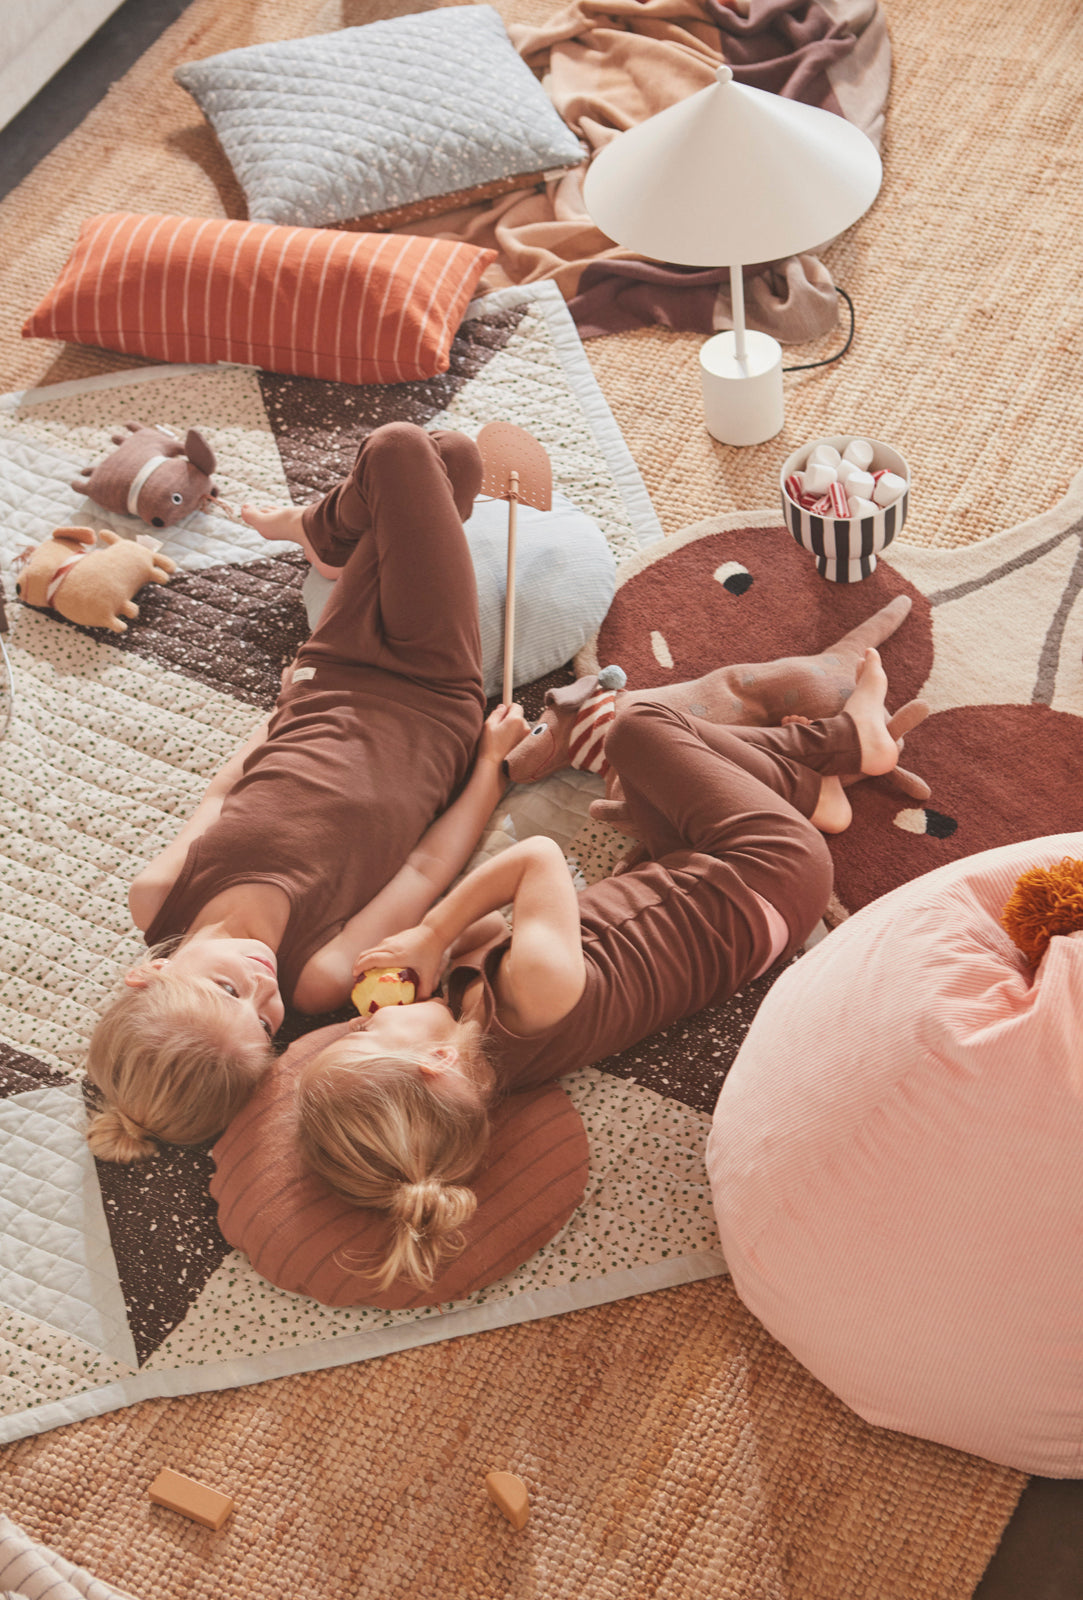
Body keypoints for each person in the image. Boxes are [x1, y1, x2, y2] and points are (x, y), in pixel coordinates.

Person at [295, 647, 926, 1293]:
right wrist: (432, 933)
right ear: (436, 1061)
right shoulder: (537, 991)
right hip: (770, 869)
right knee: (637, 727)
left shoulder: (490, 1047)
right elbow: (537, 859)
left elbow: (488, 935)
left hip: (701, 881)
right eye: (365, 1034)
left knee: (638, 792)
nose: (361, 1021)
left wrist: (443, 957)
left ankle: (813, 793)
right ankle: (845, 743)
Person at [84, 422, 528, 1162]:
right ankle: (324, 532)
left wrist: (281, 709)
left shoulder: (157, 897)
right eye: (266, 1024)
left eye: (230, 992)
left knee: (424, 458)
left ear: (149, 973)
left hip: (329, 673)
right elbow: (424, 870)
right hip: (432, 693)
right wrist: (490, 765)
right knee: (428, 455)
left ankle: (326, 533)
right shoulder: (317, 976)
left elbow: (223, 794)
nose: (264, 990)